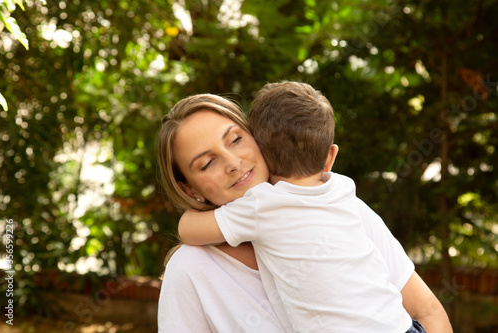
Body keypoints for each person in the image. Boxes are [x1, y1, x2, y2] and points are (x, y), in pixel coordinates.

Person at [156, 92, 453, 332]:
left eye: (235, 139)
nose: (232, 162)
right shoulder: (191, 270)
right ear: (190, 190)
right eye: (207, 163)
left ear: (258, 136)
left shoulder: (344, 210)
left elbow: (428, 312)